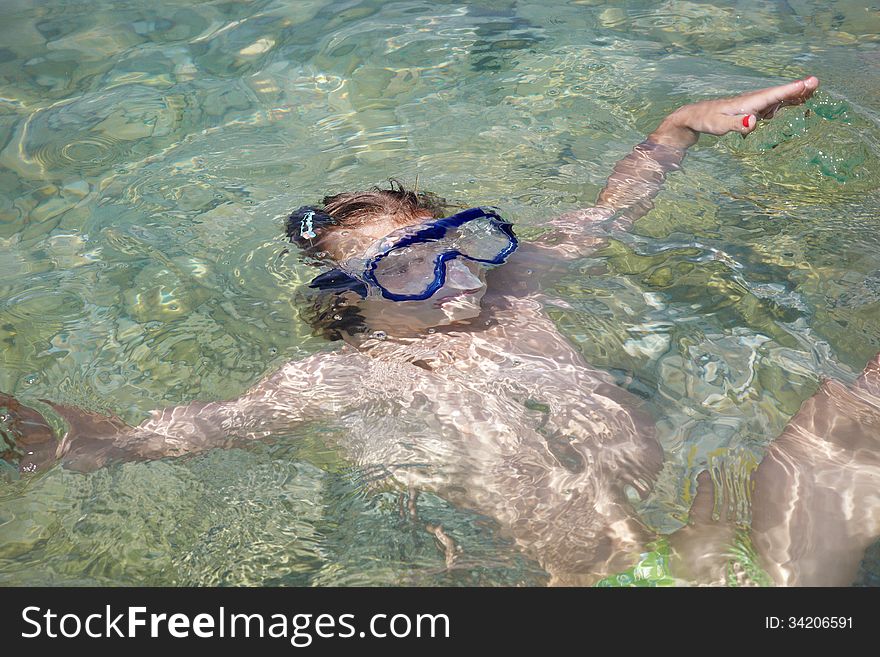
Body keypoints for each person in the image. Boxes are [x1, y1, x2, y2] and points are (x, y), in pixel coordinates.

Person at [3, 76, 878, 585]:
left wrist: (680, 125)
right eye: (411, 267)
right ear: (353, 297)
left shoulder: (520, 287)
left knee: (856, 401)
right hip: (618, 585)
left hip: (730, 542)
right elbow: (185, 430)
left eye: (455, 245)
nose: (458, 273)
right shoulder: (348, 379)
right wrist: (83, 437)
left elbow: (620, 203)